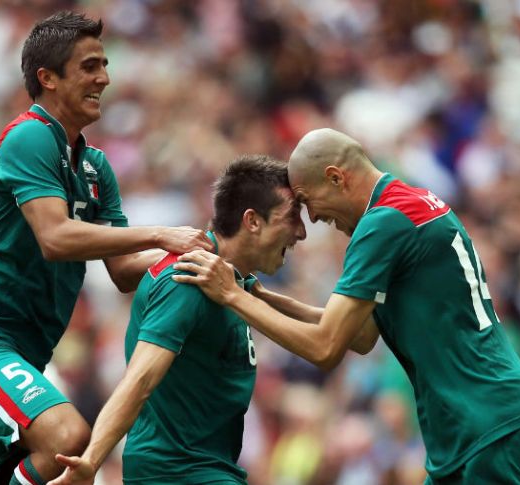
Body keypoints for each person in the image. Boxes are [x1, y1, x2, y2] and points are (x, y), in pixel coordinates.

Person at [0, 11, 212, 485]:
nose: (105, 78)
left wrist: (200, 253)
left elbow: (123, 270)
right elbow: (55, 238)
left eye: (105, 65)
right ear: (48, 78)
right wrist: (162, 234)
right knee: (67, 441)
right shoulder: (30, 135)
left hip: (21, 357)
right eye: (90, 66)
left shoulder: (96, 167)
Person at [173, 128, 520, 484]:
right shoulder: (408, 203)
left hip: (489, 422)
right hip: (473, 422)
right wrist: (263, 296)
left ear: (336, 178)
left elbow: (325, 346)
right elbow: (361, 335)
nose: (313, 218)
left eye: (307, 200)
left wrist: (232, 296)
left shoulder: (381, 224)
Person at [49, 155, 369, 485]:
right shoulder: (189, 278)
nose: (301, 232)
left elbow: (355, 336)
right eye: (291, 217)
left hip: (207, 468)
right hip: (176, 473)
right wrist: (91, 460)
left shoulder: (232, 282)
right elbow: (140, 380)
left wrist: (256, 295)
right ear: (252, 221)